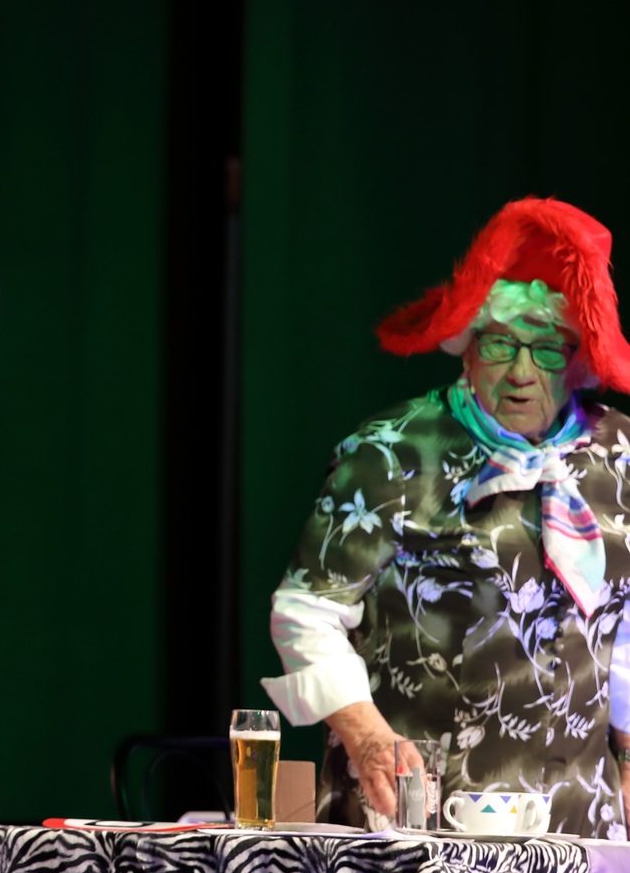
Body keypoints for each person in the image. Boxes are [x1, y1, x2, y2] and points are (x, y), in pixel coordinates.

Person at [261, 196, 630, 838]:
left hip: (579, 826)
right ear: (467, 349)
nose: (521, 372)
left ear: (576, 361)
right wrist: (366, 735)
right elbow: (308, 610)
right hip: (416, 819)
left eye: (547, 350)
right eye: (501, 344)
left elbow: (622, 626)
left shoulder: (617, 455)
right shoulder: (393, 451)